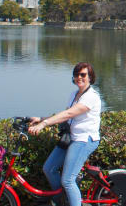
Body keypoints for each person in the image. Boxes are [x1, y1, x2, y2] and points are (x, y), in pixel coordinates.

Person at [28, 62, 102, 206]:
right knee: (49, 168)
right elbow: (65, 116)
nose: (79, 78)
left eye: (83, 75)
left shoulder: (91, 97)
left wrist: (44, 125)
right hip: (70, 138)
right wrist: (41, 119)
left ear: (90, 77)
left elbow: (69, 113)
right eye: (76, 74)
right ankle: (61, 200)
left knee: (68, 180)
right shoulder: (74, 94)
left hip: (84, 140)